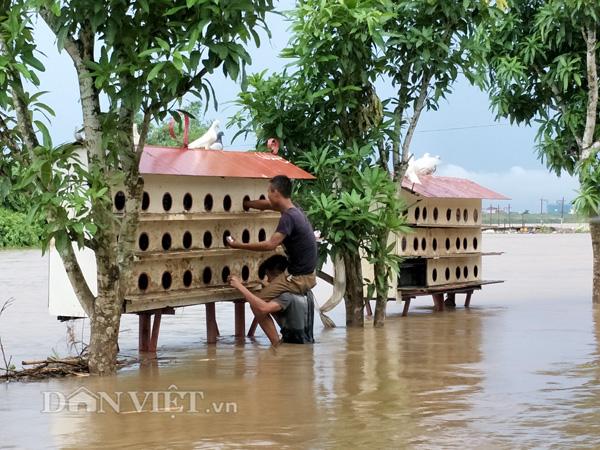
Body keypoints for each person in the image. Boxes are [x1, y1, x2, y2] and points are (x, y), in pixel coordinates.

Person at [227, 175, 318, 300]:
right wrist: (246, 204)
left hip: (298, 278)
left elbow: (270, 245)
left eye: (268, 191)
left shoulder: (288, 217)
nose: (268, 195)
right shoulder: (294, 208)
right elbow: (267, 205)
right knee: (264, 298)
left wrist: (239, 245)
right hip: (308, 273)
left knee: (258, 302)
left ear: (275, 193)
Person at [229, 255, 314, 345]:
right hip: (307, 343)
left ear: (279, 277)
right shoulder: (306, 292)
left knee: (257, 306)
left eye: (269, 277)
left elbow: (263, 308)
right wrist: (261, 283)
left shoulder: (286, 296)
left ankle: (276, 344)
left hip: (292, 345)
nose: (268, 281)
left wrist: (239, 286)